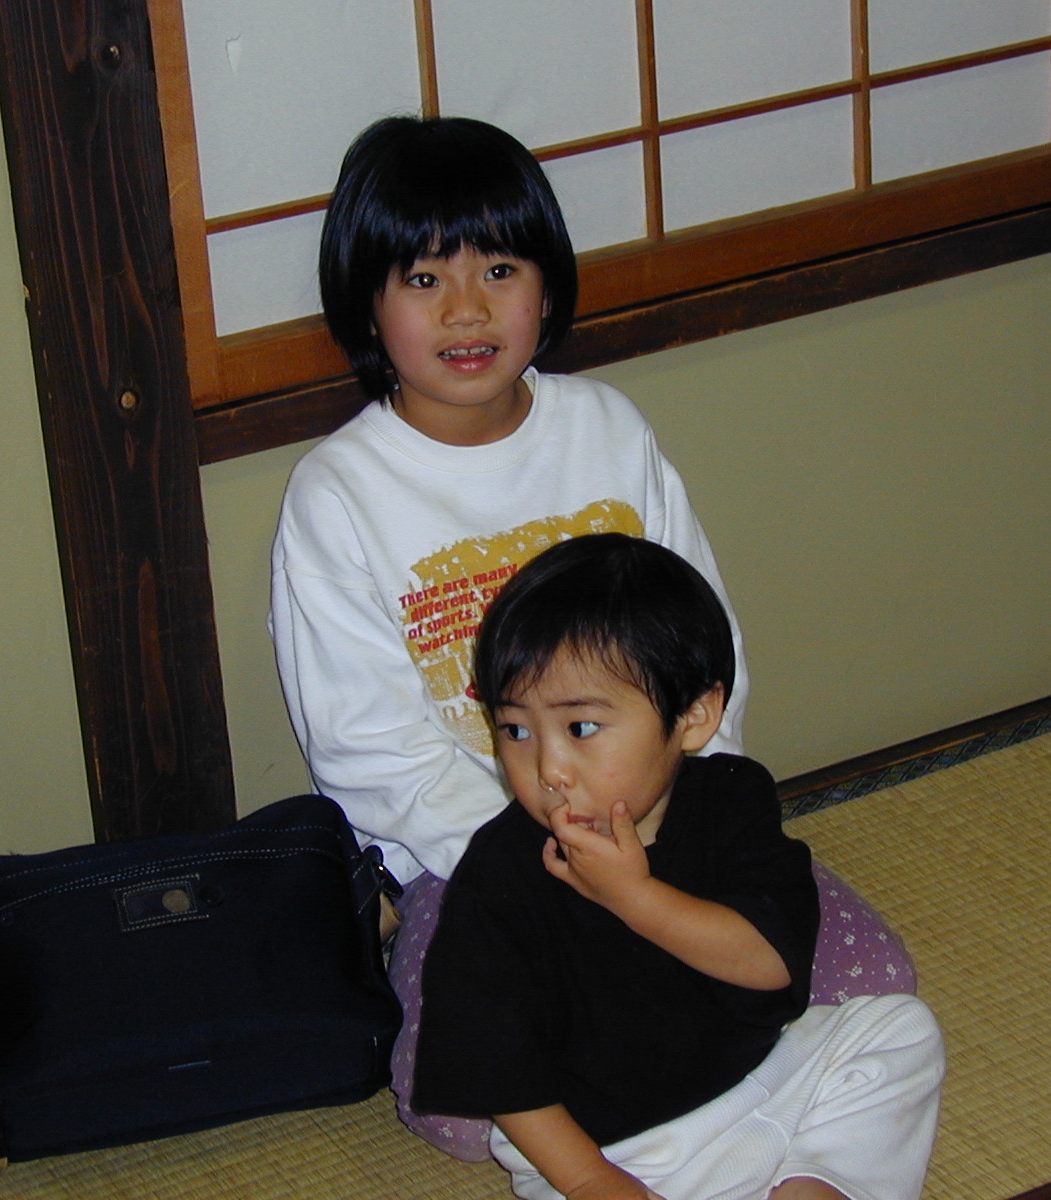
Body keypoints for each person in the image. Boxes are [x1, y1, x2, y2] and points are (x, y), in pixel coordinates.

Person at [268, 114, 914, 1157]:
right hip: (479, 855)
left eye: (500, 269)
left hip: (664, 811)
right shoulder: (339, 492)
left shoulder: (605, 427)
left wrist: (679, 817)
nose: (467, 308)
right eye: (424, 279)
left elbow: (701, 640)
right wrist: (558, 860)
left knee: (870, 984)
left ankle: (716, 1108)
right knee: (459, 1108)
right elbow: (367, 752)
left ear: (548, 284)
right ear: (366, 303)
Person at [414, 534, 944, 1200]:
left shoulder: (733, 799)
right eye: (515, 730)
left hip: (771, 1079)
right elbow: (493, 1058)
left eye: (580, 728)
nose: (548, 769)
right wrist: (590, 1179)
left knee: (899, 1031)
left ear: (694, 717)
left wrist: (633, 895)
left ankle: (812, 1186)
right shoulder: (500, 873)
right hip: (621, 1151)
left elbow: (769, 963)